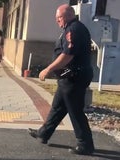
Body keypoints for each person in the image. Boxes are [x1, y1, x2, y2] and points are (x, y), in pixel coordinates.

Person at [28, 4, 95, 155]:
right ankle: (43, 133)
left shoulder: (74, 29)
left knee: (75, 110)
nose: (57, 21)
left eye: (58, 18)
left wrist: (48, 69)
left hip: (75, 76)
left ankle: (85, 145)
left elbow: (67, 55)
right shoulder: (68, 28)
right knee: (58, 106)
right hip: (68, 75)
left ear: (67, 16)